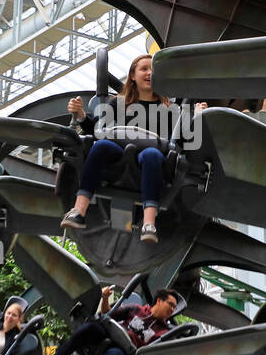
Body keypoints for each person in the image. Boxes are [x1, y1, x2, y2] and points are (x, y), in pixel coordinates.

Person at [61, 54, 205, 244]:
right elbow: (97, 130)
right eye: (144, 69)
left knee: (151, 154)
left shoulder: (170, 109)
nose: (149, 73)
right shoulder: (118, 103)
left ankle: (149, 223)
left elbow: (185, 140)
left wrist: (198, 118)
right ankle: (78, 210)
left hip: (151, 159)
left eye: (153, 70)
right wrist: (80, 115)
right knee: (102, 145)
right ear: (133, 76)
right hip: (118, 155)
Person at [41, 285, 180, 355]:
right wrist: (105, 298)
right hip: (111, 335)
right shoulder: (137, 309)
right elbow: (109, 314)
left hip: (125, 351)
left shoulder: (163, 332)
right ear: (160, 301)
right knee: (91, 327)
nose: (173, 310)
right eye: (171, 305)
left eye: (174, 307)